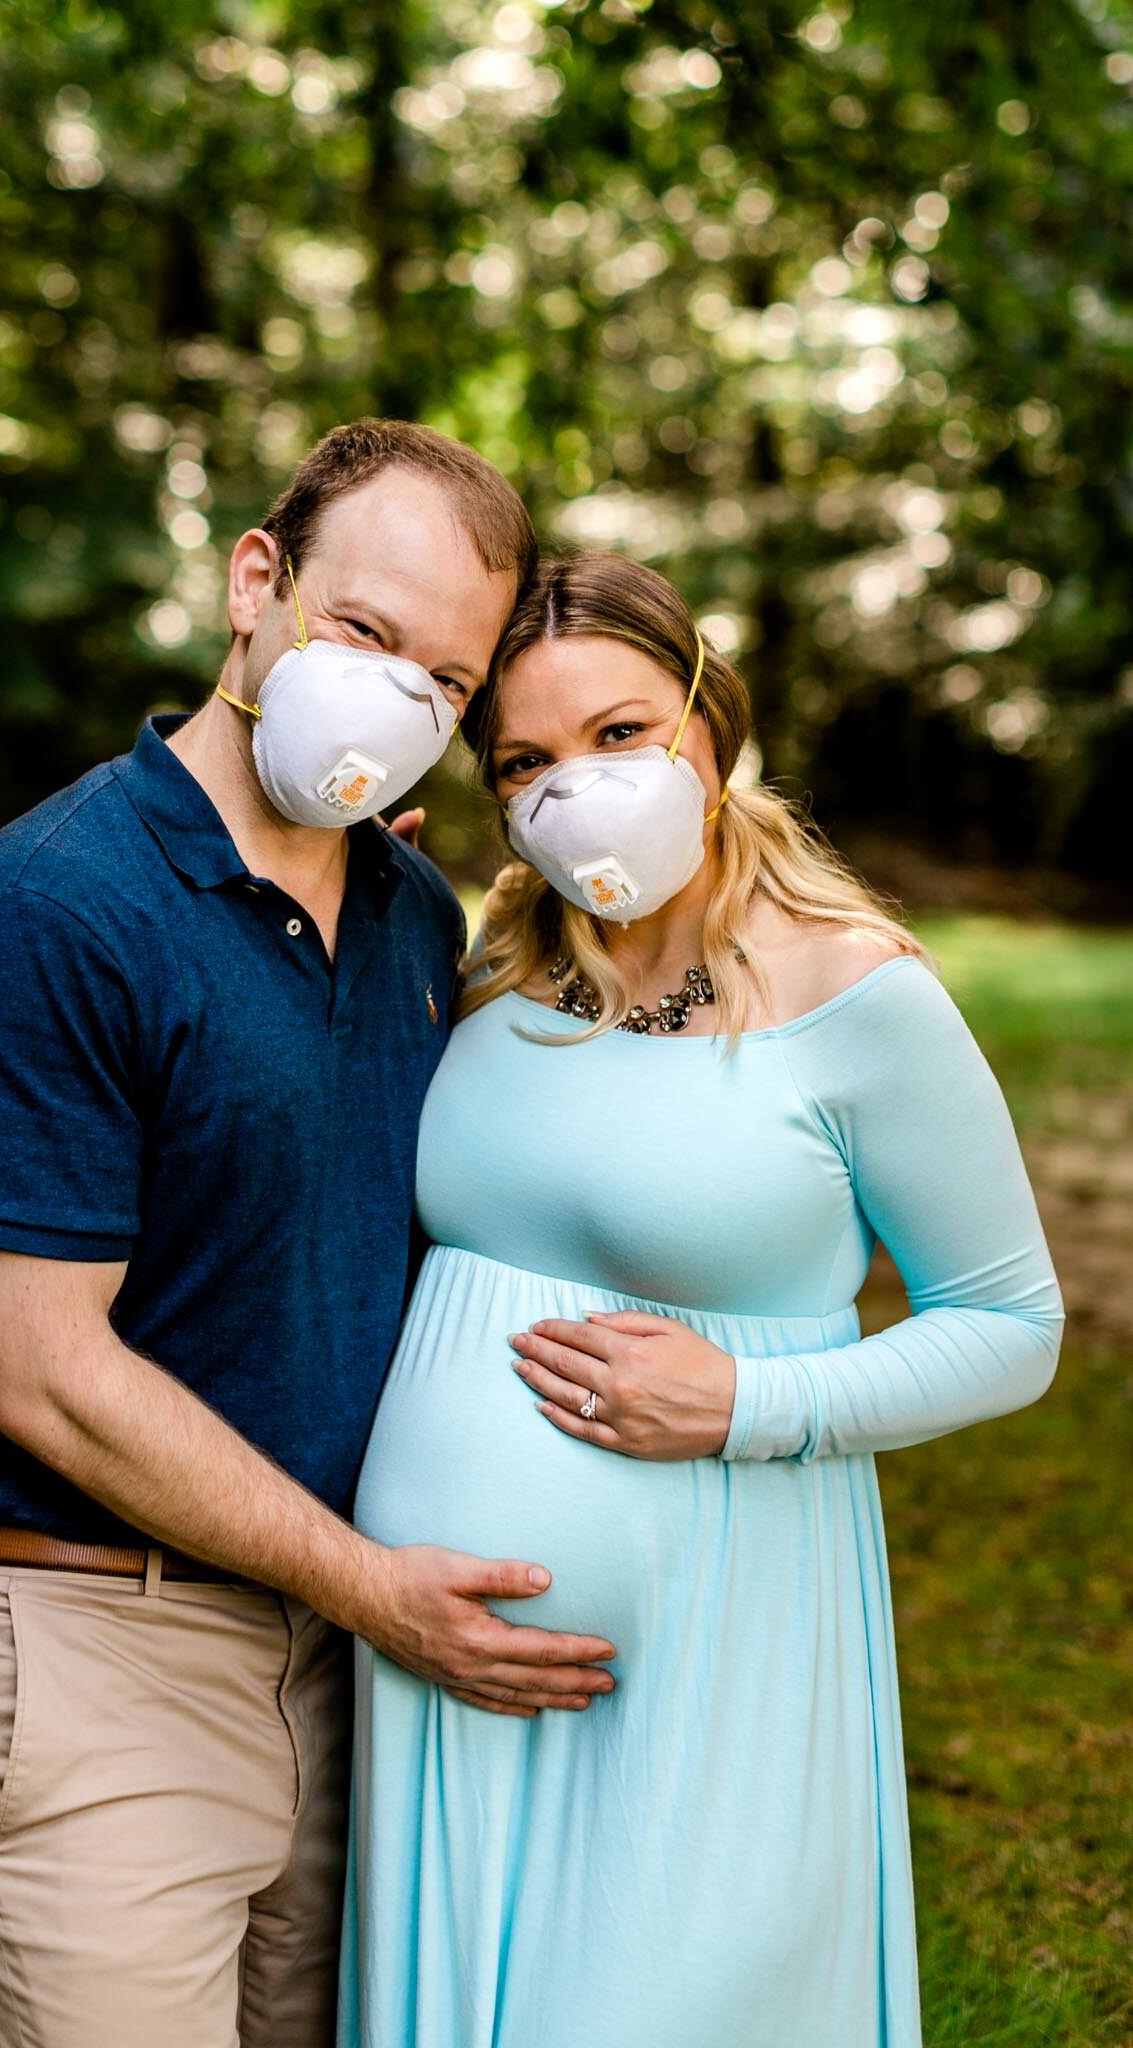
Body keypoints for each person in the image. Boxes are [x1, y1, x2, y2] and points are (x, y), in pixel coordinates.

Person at [0, 423, 621, 2048]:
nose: (395, 699)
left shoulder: (415, 914)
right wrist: (372, 1587)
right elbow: (45, 1381)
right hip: (88, 1652)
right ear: (255, 582)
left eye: (443, 677)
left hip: (345, 1666)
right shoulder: (51, 909)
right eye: (363, 636)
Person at [341, 553, 1064, 2048]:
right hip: (440, 1670)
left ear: (708, 724)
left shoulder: (857, 993)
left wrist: (752, 1405)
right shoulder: (491, 965)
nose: (575, 790)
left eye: (618, 734)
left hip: (720, 1637)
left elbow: (1011, 1325)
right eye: (525, 761)